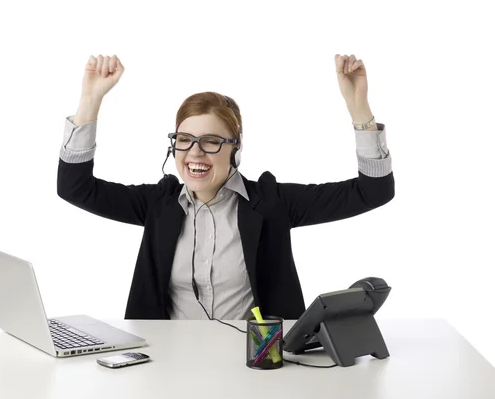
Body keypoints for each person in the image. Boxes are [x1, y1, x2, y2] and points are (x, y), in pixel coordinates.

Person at [57, 54, 394, 321]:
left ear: (236, 147)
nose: (195, 153)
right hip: (167, 365)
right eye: (184, 140)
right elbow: (75, 188)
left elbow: (373, 191)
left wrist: (358, 109)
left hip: (254, 364)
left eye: (212, 142)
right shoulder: (157, 204)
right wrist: (90, 102)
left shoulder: (271, 202)